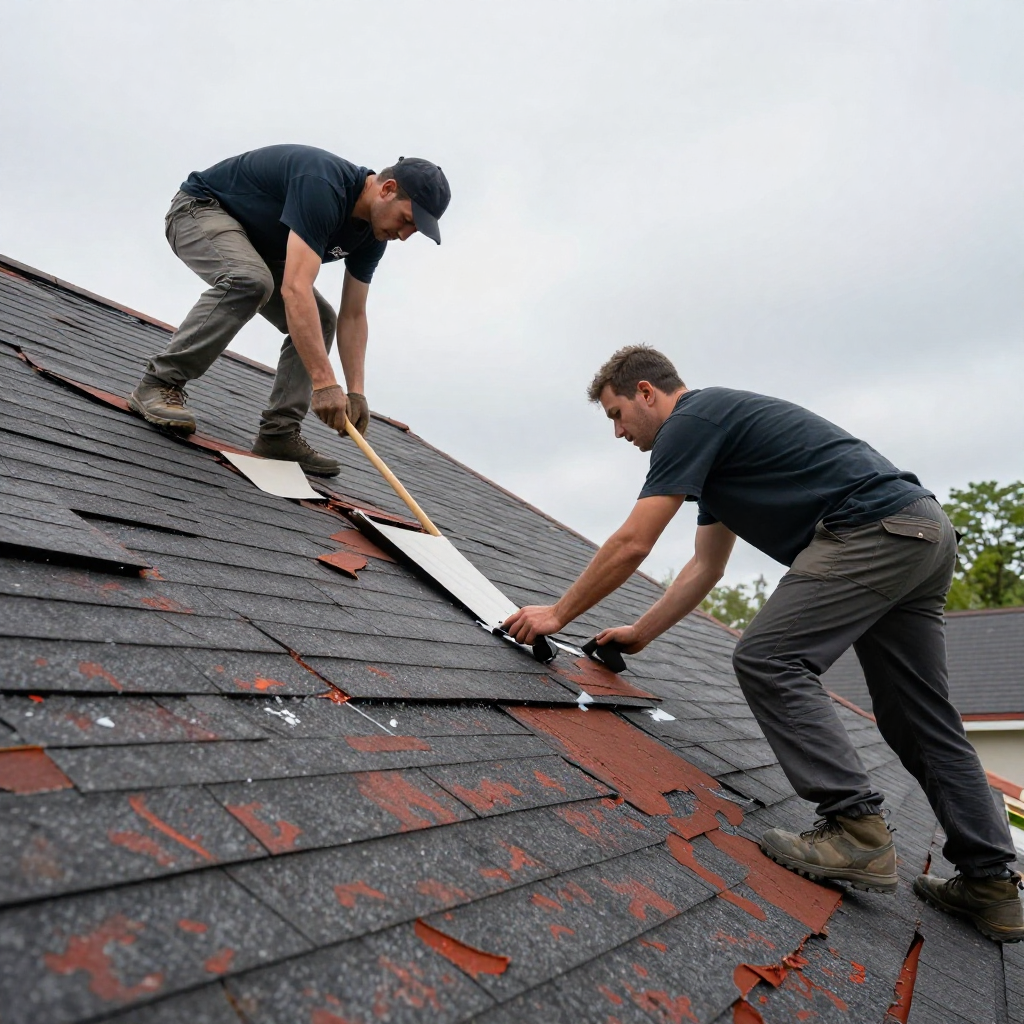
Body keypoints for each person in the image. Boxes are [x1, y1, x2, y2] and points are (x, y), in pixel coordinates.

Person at [504, 344, 1023, 943]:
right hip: (921, 533)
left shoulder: (690, 422)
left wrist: (557, 613)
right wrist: (639, 633)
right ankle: (991, 882)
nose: (618, 432)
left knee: (769, 657)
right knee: (919, 717)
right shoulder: (720, 445)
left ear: (647, 392)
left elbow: (633, 543)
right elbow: (705, 567)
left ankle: (855, 830)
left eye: (617, 414)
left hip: (872, 529)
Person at [129, 145, 450, 476]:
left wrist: (356, 391)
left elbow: (353, 314)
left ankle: (278, 434)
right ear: (387, 189)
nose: (405, 236)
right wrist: (325, 383)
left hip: (259, 246)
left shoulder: (373, 235)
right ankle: (158, 383)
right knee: (249, 281)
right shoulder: (323, 184)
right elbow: (295, 288)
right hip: (200, 210)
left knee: (322, 319)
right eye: (407, 221)